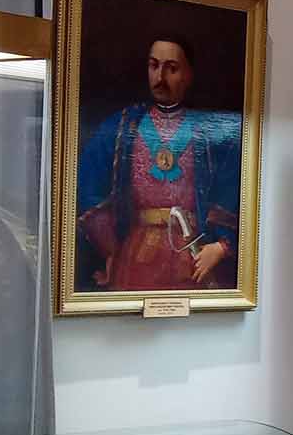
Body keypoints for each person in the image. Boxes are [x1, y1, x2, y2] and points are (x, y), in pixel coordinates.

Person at [76, 33, 241, 291]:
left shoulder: (211, 132)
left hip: (193, 256)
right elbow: (89, 183)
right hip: (136, 256)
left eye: (171, 68)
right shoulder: (123, 126)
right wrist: (110, 248)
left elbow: (233, 188)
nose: (160, 77)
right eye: (153, 66)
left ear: (189, 75)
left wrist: (221, 246)